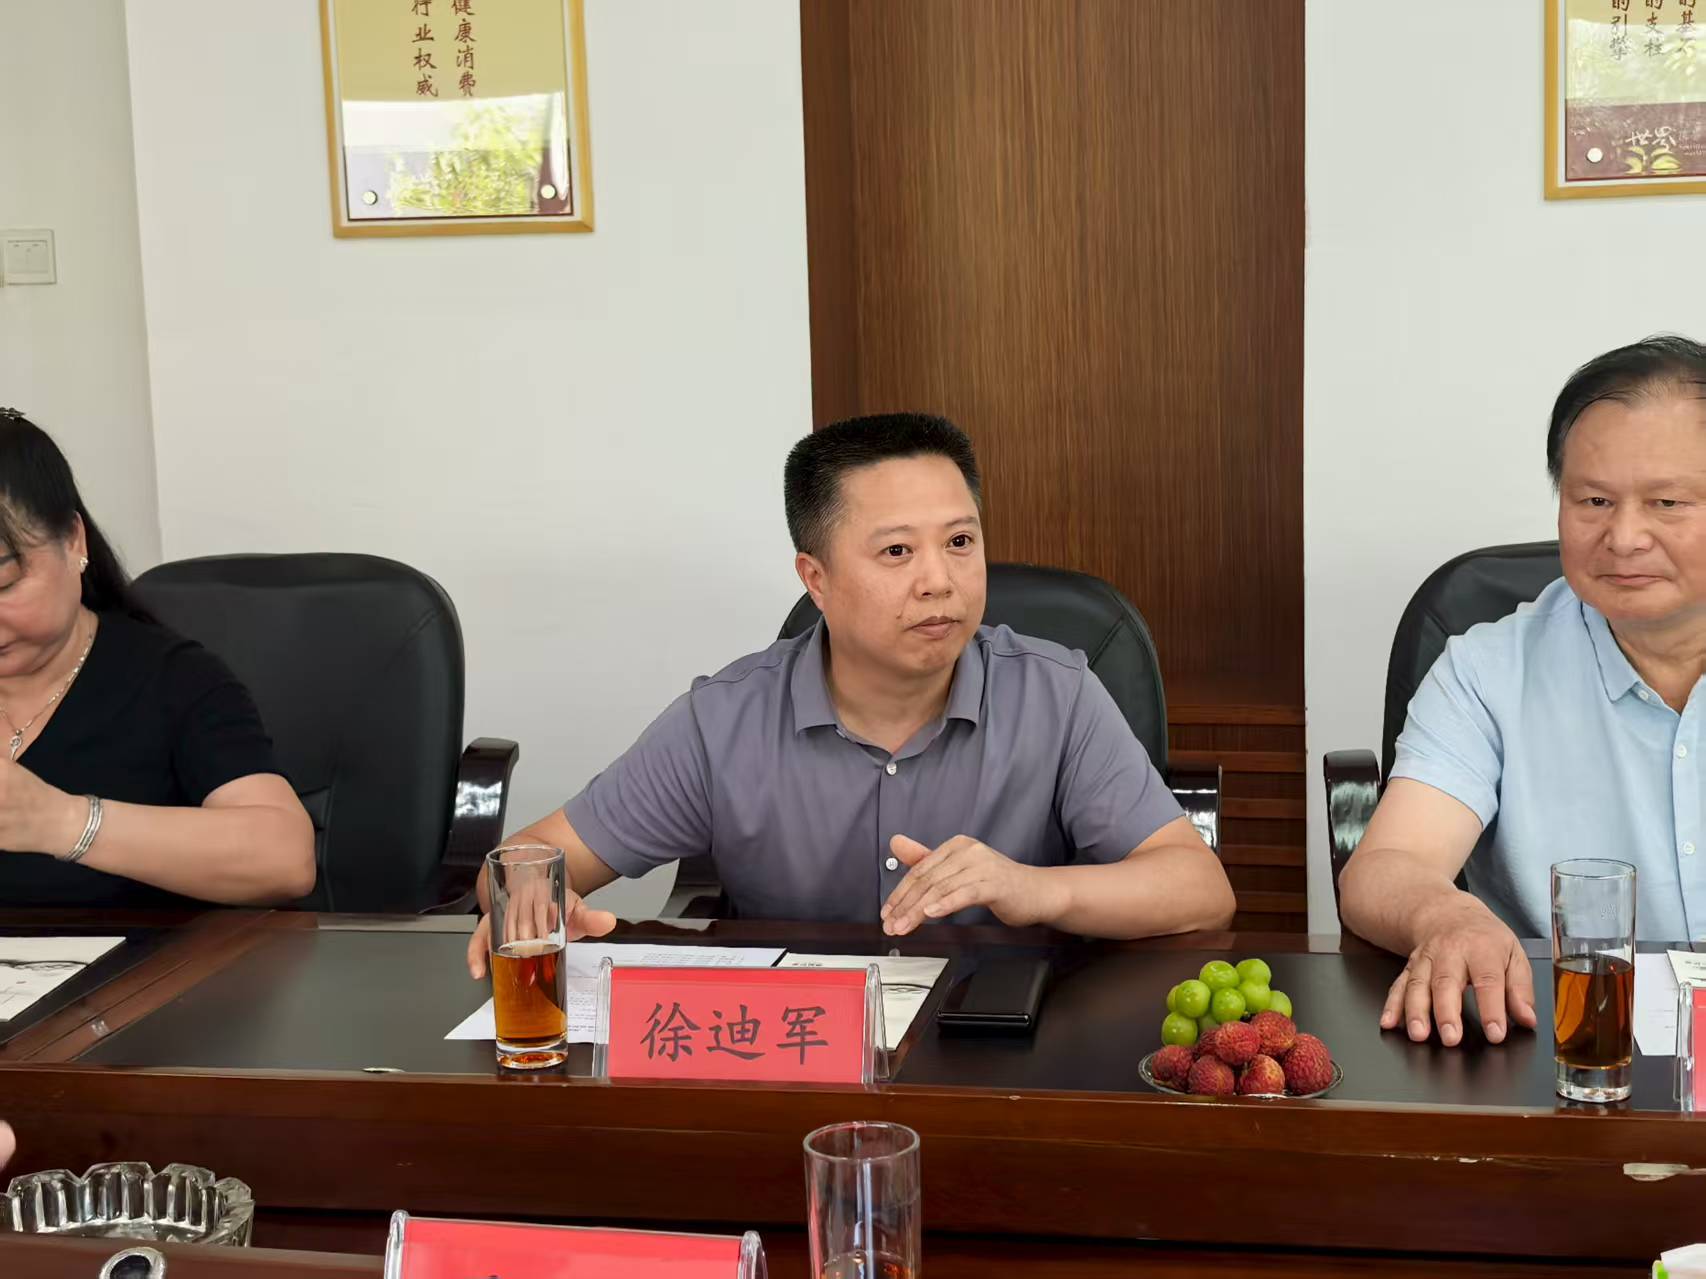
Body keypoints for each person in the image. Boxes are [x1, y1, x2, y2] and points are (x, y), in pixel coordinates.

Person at [467, 413, 1234, 975]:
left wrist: (1031, 888)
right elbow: (521, 862)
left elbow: (1199, 888)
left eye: (960, 542)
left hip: (1005, 1051)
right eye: (897, 550)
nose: (939, 579)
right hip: (798, 1059)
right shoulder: (726, 719)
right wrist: (537, 902)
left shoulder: (1055, 694)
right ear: (817, 578)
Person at [1340, 335, 1706, 1047]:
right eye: (1593, 500)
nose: (1624, 537)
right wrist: (1447, 915)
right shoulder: (1488, 672)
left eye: (1666, 502)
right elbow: (1386, 867)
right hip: (1567, 1047)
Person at [0, 410, 315, 907]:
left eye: (5, 584)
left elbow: (285, 859)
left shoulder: (174, 681)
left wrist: (60, 821)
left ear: (73, 541)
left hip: (146, 959)